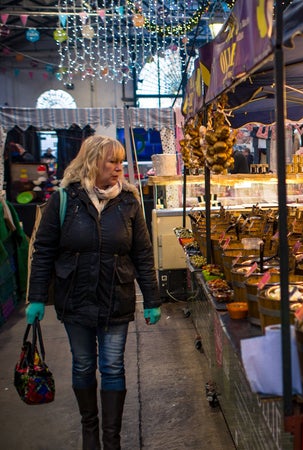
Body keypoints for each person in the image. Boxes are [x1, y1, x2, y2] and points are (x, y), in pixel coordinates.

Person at [25, 135, 161, 450]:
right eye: (111, 161)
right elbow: (43, 250)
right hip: (76, 297)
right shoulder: (63, 200)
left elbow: (142, 252)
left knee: (112, 366)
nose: (118, 168)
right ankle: (90, 432)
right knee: (83, 364)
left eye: (120, 162)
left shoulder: (128, 201)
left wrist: (152, 300)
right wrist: (35, 298)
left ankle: (111, 440)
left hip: (117, 296)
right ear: (92, 162)